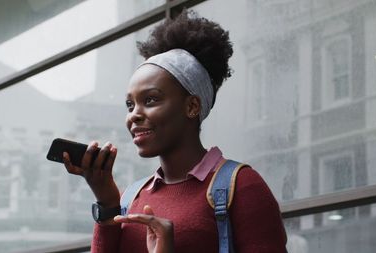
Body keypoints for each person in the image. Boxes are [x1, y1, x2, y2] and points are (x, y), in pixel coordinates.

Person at [63, 10, 288, 253]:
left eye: (150, 100)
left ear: (191, 106)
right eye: (130, 105)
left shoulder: (243, 187)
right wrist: (107, 202)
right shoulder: (131, 198)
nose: (134, 115)